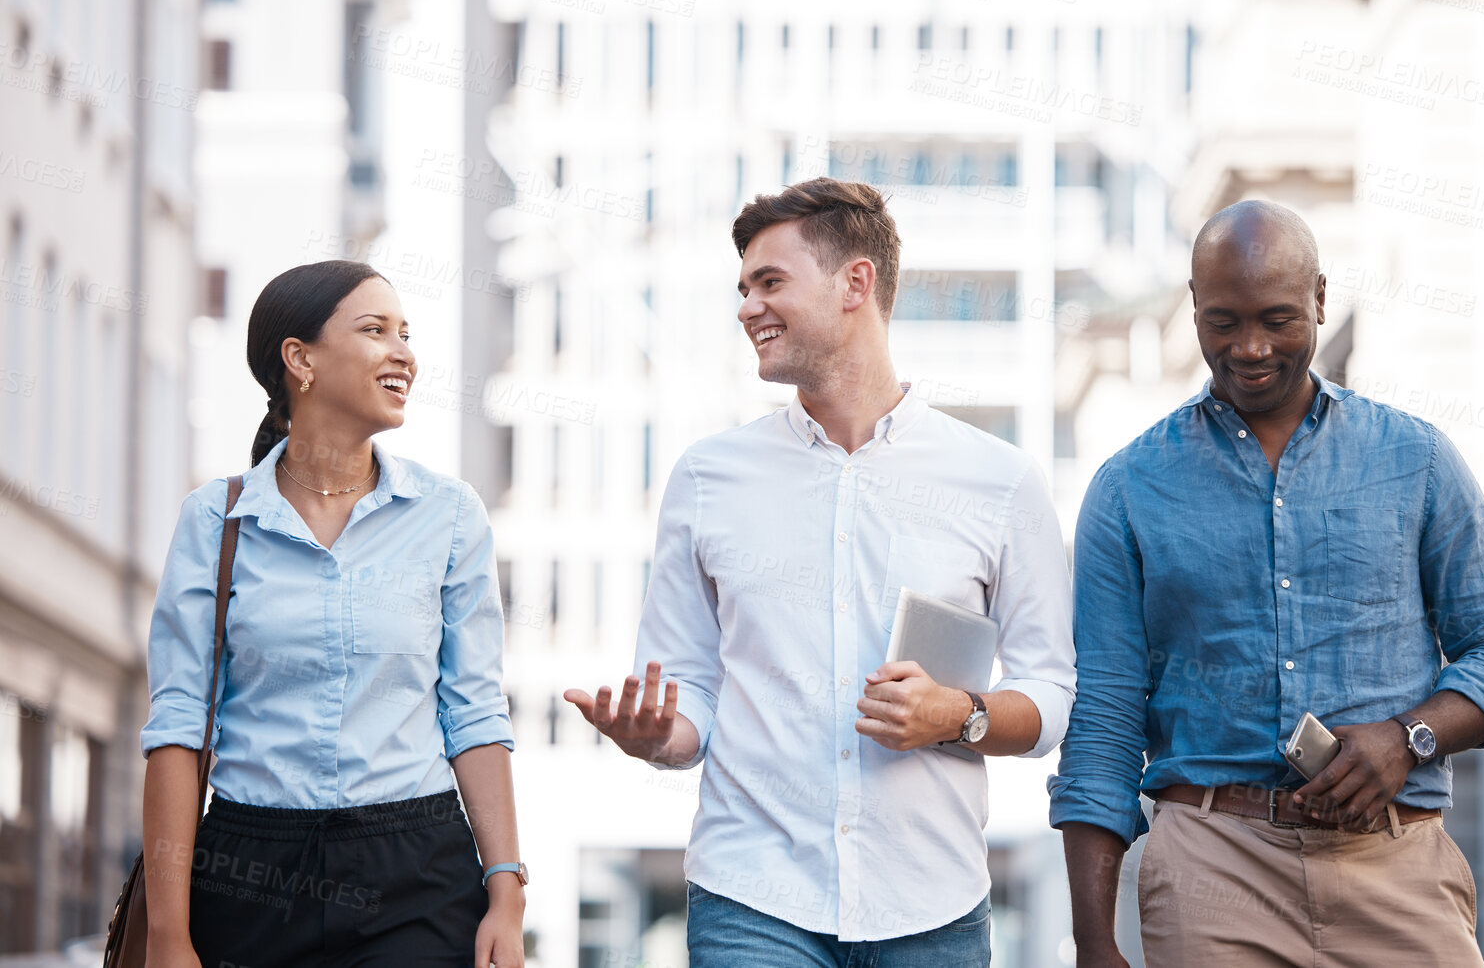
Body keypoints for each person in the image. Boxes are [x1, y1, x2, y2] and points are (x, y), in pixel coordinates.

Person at [565, 178, 1076, 967]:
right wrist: (657, 734)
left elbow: (1052, 694)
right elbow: (690, 693)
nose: (745, 307)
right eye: (742, 288)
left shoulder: (998, 481)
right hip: (752, 897)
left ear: (855, 283)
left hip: (930, 901)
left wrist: (957, 712)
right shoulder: (707, 479)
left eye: (769, 282)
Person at [1049, 199, 1484, 967]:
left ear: (1319, 297)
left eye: (1276, 318)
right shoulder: (1126, 489)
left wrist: (1404, 738)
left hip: (1394, 862)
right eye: (1222, 322)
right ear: (1192, 307)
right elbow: (1106, 716)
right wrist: (1092, 941)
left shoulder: (1415, 459)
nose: (1249, 347)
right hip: (1212, 868)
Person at [140, 260, 526, 968]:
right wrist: (168, 934)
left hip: (417, 870)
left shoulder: (448, 515)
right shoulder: (215, 520)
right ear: (300, 358)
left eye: (406, 333)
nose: (403, 352)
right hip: (248, 873)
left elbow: (473, 710)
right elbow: (177, 725)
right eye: (375, 330)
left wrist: (507, 891)